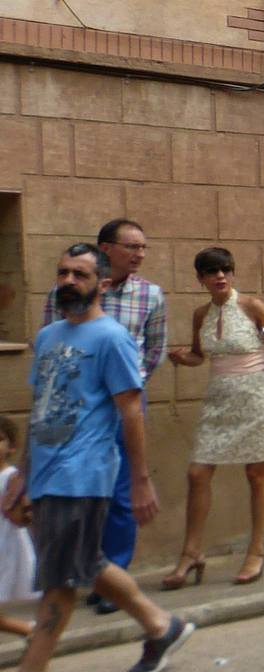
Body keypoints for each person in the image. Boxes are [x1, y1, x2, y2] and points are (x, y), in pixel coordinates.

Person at [0, 244, 194, 672]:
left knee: (62, 577)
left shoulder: (113, 338)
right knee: (85, 561)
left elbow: (131, 411)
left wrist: (140, 479)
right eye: (63, 272)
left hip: (83, 472)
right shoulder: (48, 336)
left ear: (103, 283)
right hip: (47, 471)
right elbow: (43, 408)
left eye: (80, 274)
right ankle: (160, 626)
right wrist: (22, 473)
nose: (68, 280)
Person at [42, 219, 164, 616]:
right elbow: (52, 342)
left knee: (122, 493)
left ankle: (115, 578)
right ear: (107, 249)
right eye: (132, 246)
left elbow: (154, 350)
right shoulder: (66, 291)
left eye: (143, 247)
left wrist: (126, 385)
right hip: (74, 406)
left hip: (124, 405)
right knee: (78, 490)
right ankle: (86, 574)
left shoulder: (150, 295)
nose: (140, 254)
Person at [160, 247, 264, 589]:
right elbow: (199, 356)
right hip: (218, 400)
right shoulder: (200, 314)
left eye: (225, 270)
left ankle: (256, 550)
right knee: (197, 473)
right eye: (212, 271)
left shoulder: (252, 305)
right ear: (200, 278)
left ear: (232, 274)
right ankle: (191, 553)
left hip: (256, 397)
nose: (220, 276)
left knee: (256, 473)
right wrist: (181, 358)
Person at [0, 420, 36, 640]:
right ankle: (31, 632)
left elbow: (23, 515)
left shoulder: (12, 477)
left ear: (11, 447)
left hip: (5, 545)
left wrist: (23, 511)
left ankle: (31, 632)